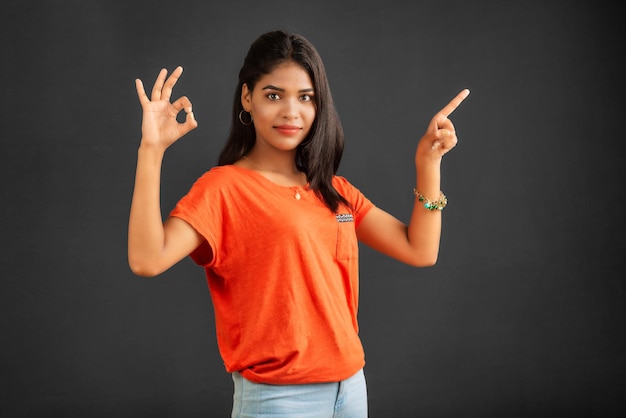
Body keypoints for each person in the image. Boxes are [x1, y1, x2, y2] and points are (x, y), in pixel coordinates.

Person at [128, 30, 469, 418]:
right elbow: (147, 260)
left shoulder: (334, 190)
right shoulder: (223, 188)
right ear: (247, 98)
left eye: (306, 97)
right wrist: (151, 151)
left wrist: (429, 164)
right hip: (278, 400)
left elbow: (420, 250)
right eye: (274, 95)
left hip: (351, 391)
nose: (292, 111)